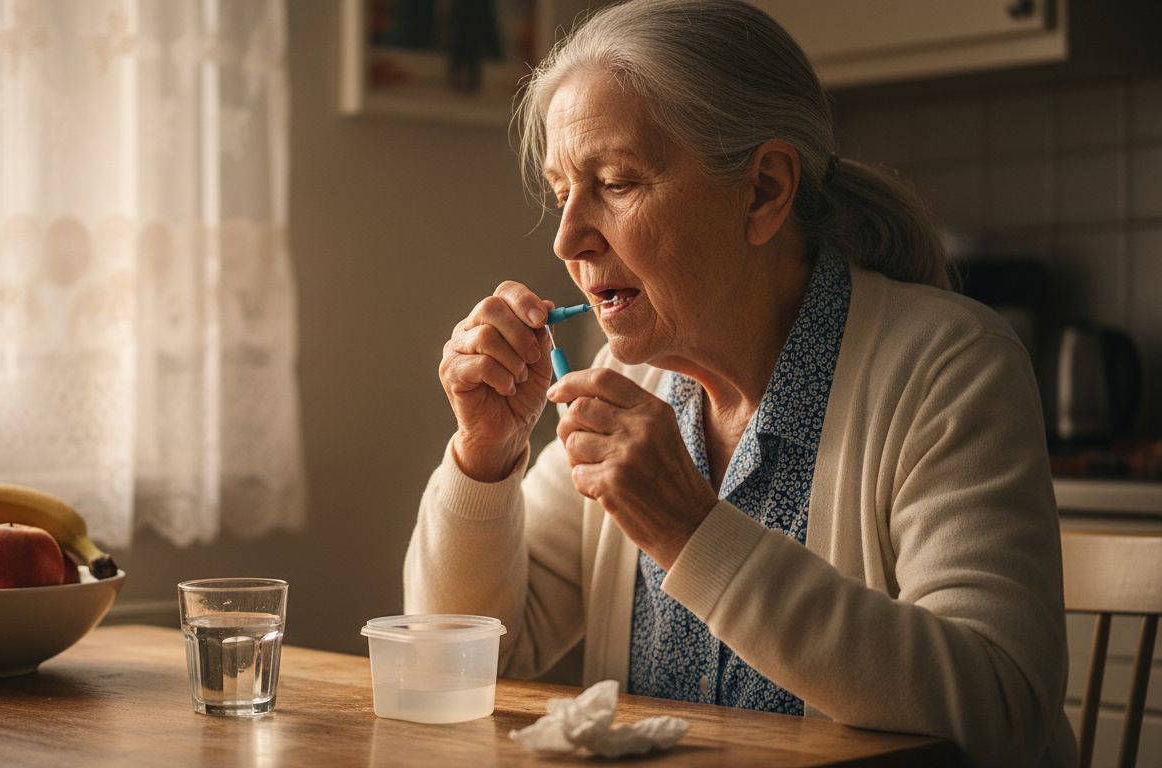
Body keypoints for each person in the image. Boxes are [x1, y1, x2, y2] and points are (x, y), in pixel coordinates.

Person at [404, 1, 1074, 765]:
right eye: (563, 193)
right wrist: (484, 457)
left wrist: (690, 530)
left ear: (763, 191)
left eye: (617, 182)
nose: (567, 240)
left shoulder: (949, 367)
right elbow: (456, 661)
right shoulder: (631, 379)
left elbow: (1002, 711)